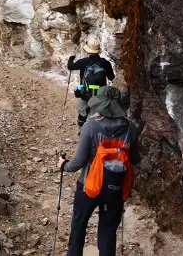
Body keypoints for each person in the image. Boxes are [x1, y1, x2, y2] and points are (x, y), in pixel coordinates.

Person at [57, 86, 141, 256]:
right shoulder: (130, 128)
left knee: (79, 224)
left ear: (100, 106)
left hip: (89, 186)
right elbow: (135, 159)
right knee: (108, 231)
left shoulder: (90, 127)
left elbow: (78, 162)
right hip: (115, 187)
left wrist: (64, 164)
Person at [68, 38, 115, 131]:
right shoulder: (105, 63)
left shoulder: (83, 62)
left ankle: (82, 132)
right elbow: (111, 77)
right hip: (100, 94)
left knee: (82, 113)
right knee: (96, 115)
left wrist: (71, 58)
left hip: (84, 92)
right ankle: (95, 134)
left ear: (87, 50)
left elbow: (70, 67)